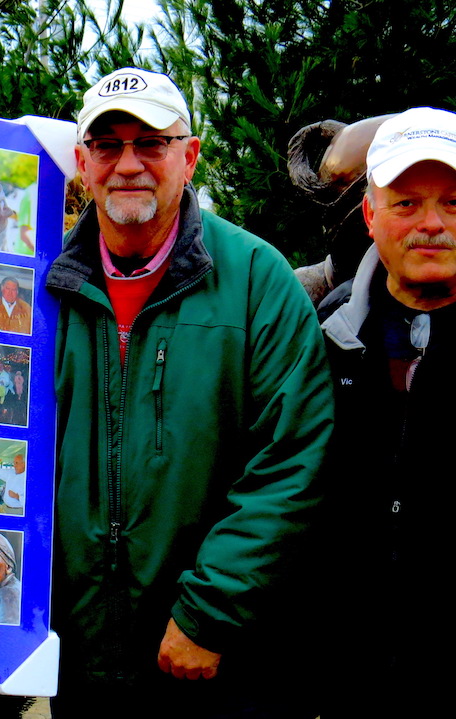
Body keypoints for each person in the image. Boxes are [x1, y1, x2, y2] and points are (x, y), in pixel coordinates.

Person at [46, 67, 332, 714]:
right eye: (107, 146)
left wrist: (210, 612)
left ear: (190, 156)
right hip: (78, 661)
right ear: (82, 164)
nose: (128, 165)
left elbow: (292, 461)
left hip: (214, 665)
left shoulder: (257, 280)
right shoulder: (38, 287)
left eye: (152, 143)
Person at [317, 107, 456, 716]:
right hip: (349, 679)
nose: (432, 224)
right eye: (406, 204)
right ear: (370, 216)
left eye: (453, 203)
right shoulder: (322, 336)